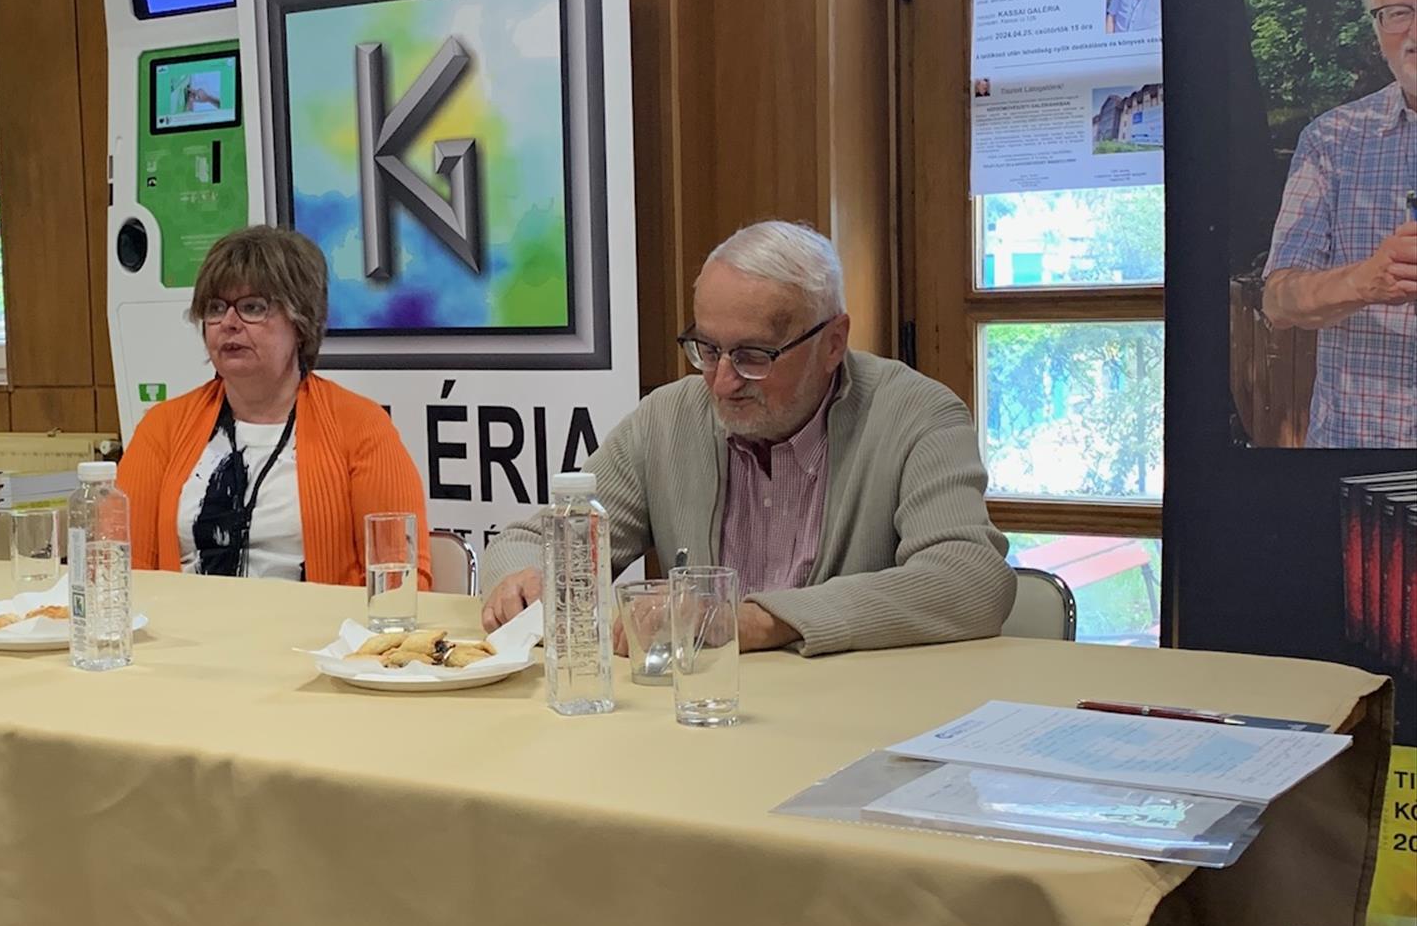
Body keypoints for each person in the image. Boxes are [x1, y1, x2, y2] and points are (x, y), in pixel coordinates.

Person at [482, 221, 1015, 654]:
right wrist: (526, 580)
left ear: (833, 343)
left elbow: (971, 580)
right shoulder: (668, 419)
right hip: (699, 717)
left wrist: (757, 621)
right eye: (707, 349)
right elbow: (525, 541)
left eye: (753, 356)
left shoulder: (916, 416)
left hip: (851, 722)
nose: (722, 382)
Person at [118, 225, 431, 584]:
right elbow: (125, 570)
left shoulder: (360, 426)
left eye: (252, 307)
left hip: (319, 622)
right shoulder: (164, 426)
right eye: (216, 308)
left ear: (301, 322)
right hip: (185, 620)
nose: (229, 323)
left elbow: (401, 581)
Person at [1262, 0, 1417, 448]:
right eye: (1398, 13)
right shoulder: (1332, 140)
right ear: (1377, 29)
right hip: (1352, 463)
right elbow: (1278, 300)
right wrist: (1366, 281)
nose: (1414, 31)